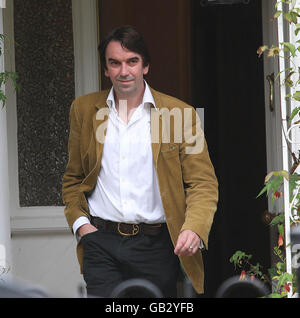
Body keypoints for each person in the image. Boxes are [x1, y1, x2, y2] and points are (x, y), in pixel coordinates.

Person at [62, 25, 218, 298]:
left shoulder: (182, 114)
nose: (124, 71)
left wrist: (194, 227)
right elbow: (73, 178)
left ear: (145, 66)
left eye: (132, 61)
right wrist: (81, 226)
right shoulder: (84, 110)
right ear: (106, 69)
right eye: (115, 63)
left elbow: (202, 182)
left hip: (156, 245)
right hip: (100, 241)